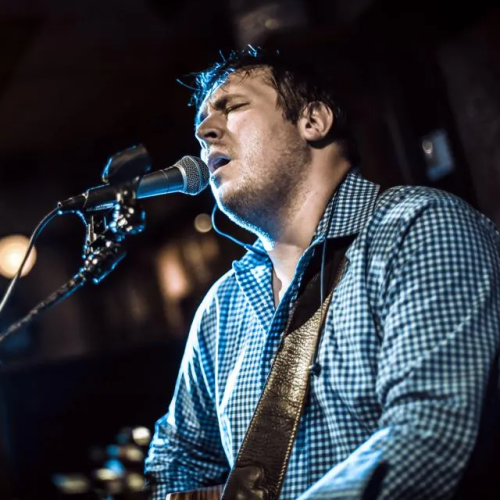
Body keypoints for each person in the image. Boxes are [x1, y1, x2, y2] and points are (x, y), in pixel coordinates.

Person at [144, 46, 500, 499]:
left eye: (231, 106)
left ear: (313, 122)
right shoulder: (221, 306)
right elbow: (176, 463)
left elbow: (428, 438)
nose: (203, 131)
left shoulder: (418, 228)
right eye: (201, 125)